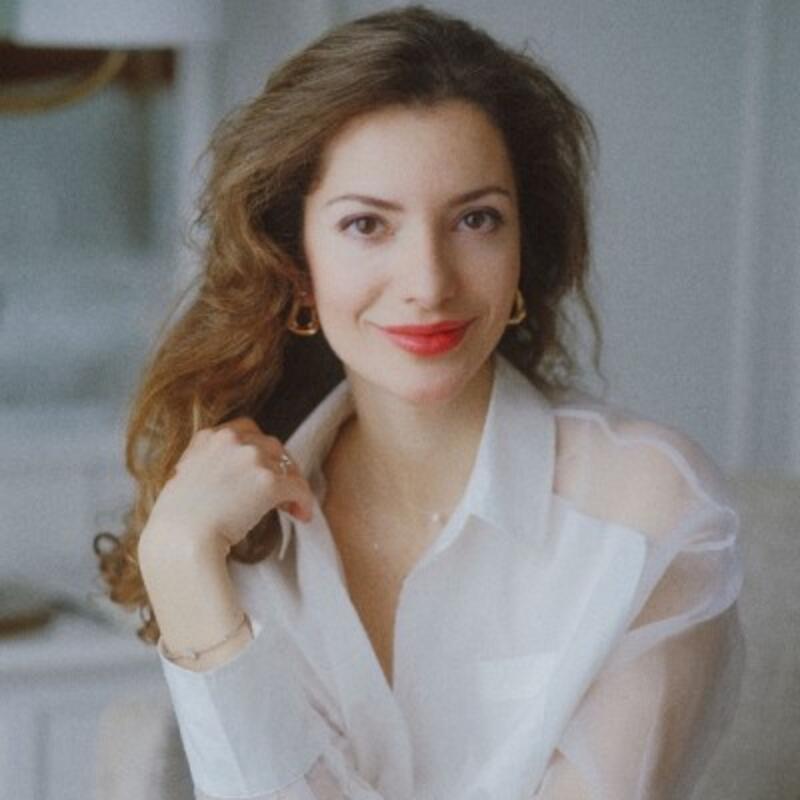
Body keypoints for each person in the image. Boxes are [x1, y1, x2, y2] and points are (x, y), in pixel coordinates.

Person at [94, 6, 744, 799]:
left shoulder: (644, 512)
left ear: (523, 250)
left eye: (475, 219)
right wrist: (179, 560)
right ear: (297, 266)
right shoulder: (241, 520)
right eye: (367, 224)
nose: (429, 283)